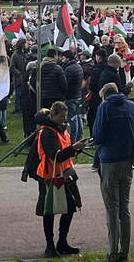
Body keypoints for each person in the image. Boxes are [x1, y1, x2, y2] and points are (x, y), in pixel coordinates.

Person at [33, 101, 88, 258]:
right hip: (50, 176)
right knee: (49, 211)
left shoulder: (60, 129)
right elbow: (54, 155)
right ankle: (50, 245)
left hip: (65, 173)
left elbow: (64, 152)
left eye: (65, 116)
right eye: (62, 117)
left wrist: (76, 150)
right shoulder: (47, 132)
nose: (64, 120)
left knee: (70, 207)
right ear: (53, 115)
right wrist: (73, 149)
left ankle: (62, 242)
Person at [93, 83, 134, 262]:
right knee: (124, 208)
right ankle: (125, 251)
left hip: (109, 160)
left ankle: (113, 251)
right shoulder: (130, 106)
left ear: (104, 95)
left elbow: (98, 135)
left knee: (112, 208)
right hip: (127, 159)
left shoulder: (104, 107)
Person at [61, 50, 85, 143]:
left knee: (73, 119)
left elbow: (65, 83)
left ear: (67, 58)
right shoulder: (78, 66)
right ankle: (79, 136)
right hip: (78, 94)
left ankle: (73, 140)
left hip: (71, 95)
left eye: (63, 58)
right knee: (77, 116)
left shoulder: (69, 69)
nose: (62, 60)